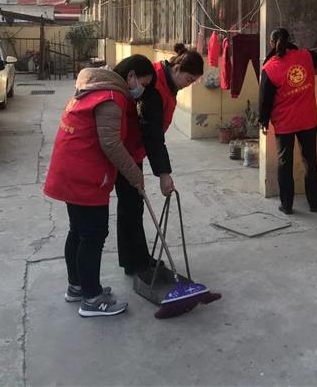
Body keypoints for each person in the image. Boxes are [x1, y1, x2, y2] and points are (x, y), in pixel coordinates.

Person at [43, 54, 156, 317]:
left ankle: (77, 287)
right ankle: (92, 299)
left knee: (78, 231)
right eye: (142, 83)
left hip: (70, 167)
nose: (141, 90)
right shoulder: (111, 98)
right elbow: (111, 144)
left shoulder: (94, 88)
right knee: (93, 234)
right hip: (84, 173)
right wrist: (134, 174)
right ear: (131, 76)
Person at [117, 44, 204, 275]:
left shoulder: (165, 83)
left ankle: (137, 259)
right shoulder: (154, 87)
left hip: (134, 149)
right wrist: (164, 174)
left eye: (193, 81)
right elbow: (153, 135)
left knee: (132, 206)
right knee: (131, 206)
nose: (189, 84)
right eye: (189, 79)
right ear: (176, 68)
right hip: (125, 151)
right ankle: (136, 263)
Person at [259, 28, 317, 214]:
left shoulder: (270, 67)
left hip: (285, 123)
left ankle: (286, 205)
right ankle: (314, 203)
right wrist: (295, 48)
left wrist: (263, 121)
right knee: (310, 161)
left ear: (271, 43)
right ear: (290, 41)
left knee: (284, 164)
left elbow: (265, 99)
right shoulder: (306, 56)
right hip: (308, 119)